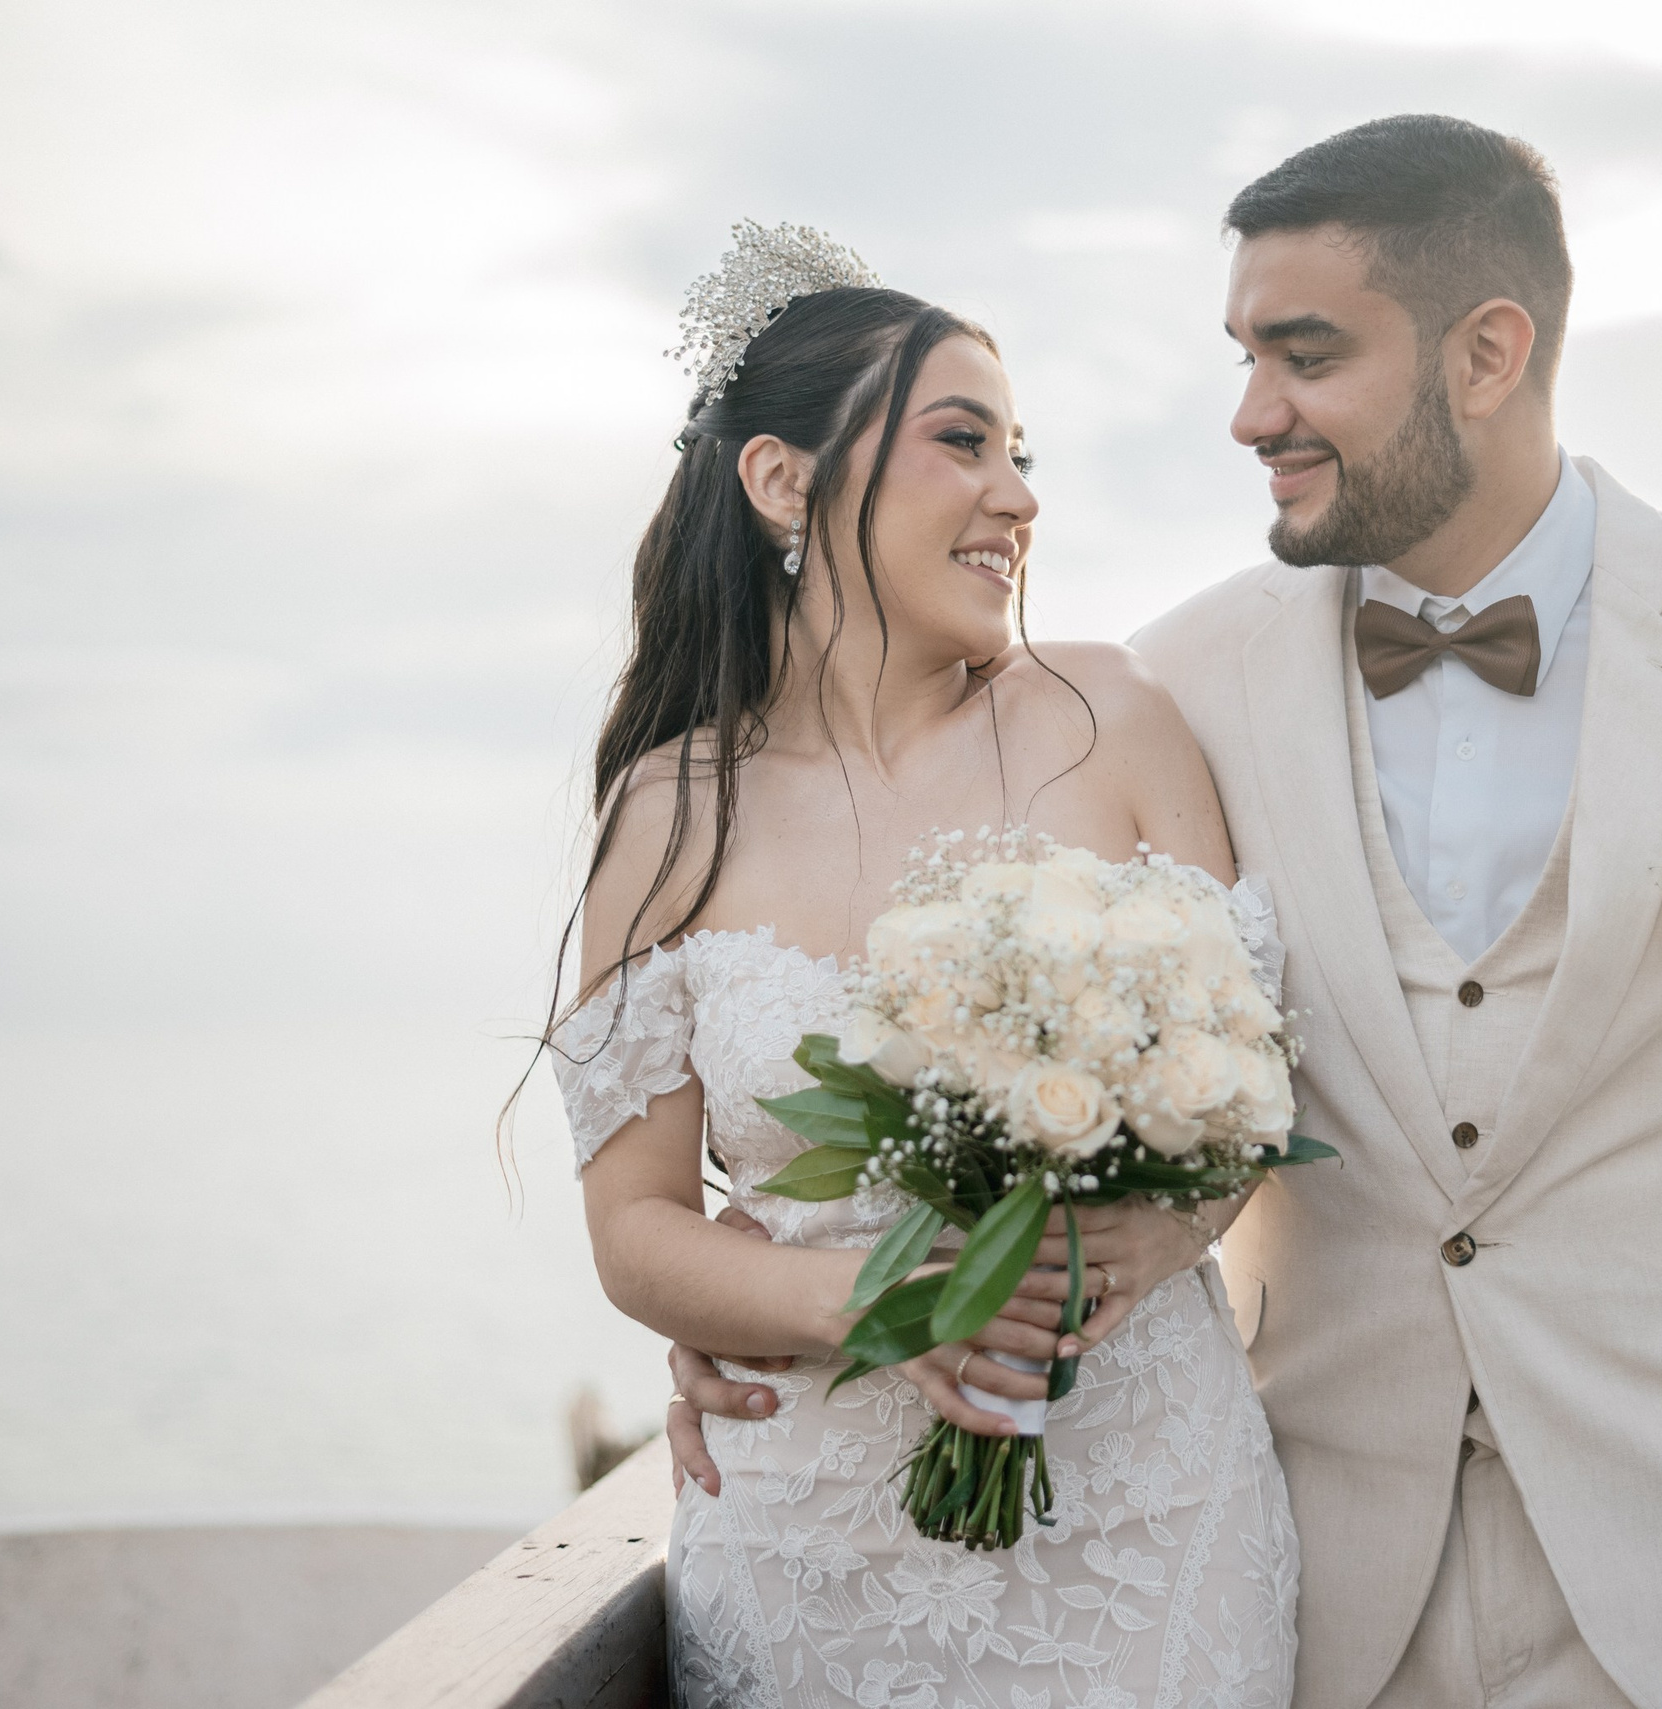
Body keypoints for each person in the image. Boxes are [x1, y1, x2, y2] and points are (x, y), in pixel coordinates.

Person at [670, 119, 1662, 1709]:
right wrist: (791, 1305)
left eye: (1304, 355)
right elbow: (905, 941)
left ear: (1488, 352)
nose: (1250, 414)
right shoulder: (1171, 682)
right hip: (1326, 1577)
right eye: (1243, 355)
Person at [553, 228, 1296, 1709]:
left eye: (1023, 456)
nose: (1017, 498)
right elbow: (635, 1228)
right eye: (963, 443)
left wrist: (1122, 1248)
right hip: (809, 1547)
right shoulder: (666, 816)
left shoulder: (1112, 714)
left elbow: (1250, 1101)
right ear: (783, 479)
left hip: (1139, 1523)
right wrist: (889, 1305)